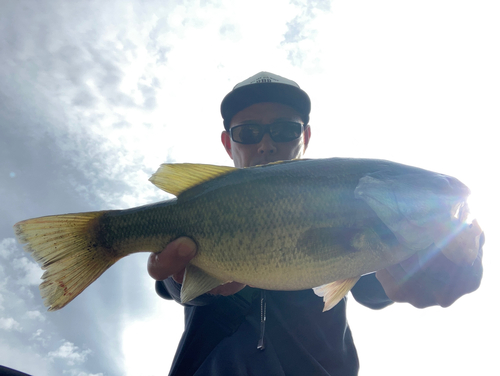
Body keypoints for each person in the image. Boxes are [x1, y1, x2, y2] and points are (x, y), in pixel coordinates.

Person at [147, 72, 483, 376]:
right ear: (227, 142)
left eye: (284, 130)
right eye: (248, 132)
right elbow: (178, 288)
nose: (266, 144)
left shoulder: (348, 206)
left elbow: (383, 284)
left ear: (304, 136)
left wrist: (447, 265)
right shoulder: (196, 212)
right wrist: (183, 280)